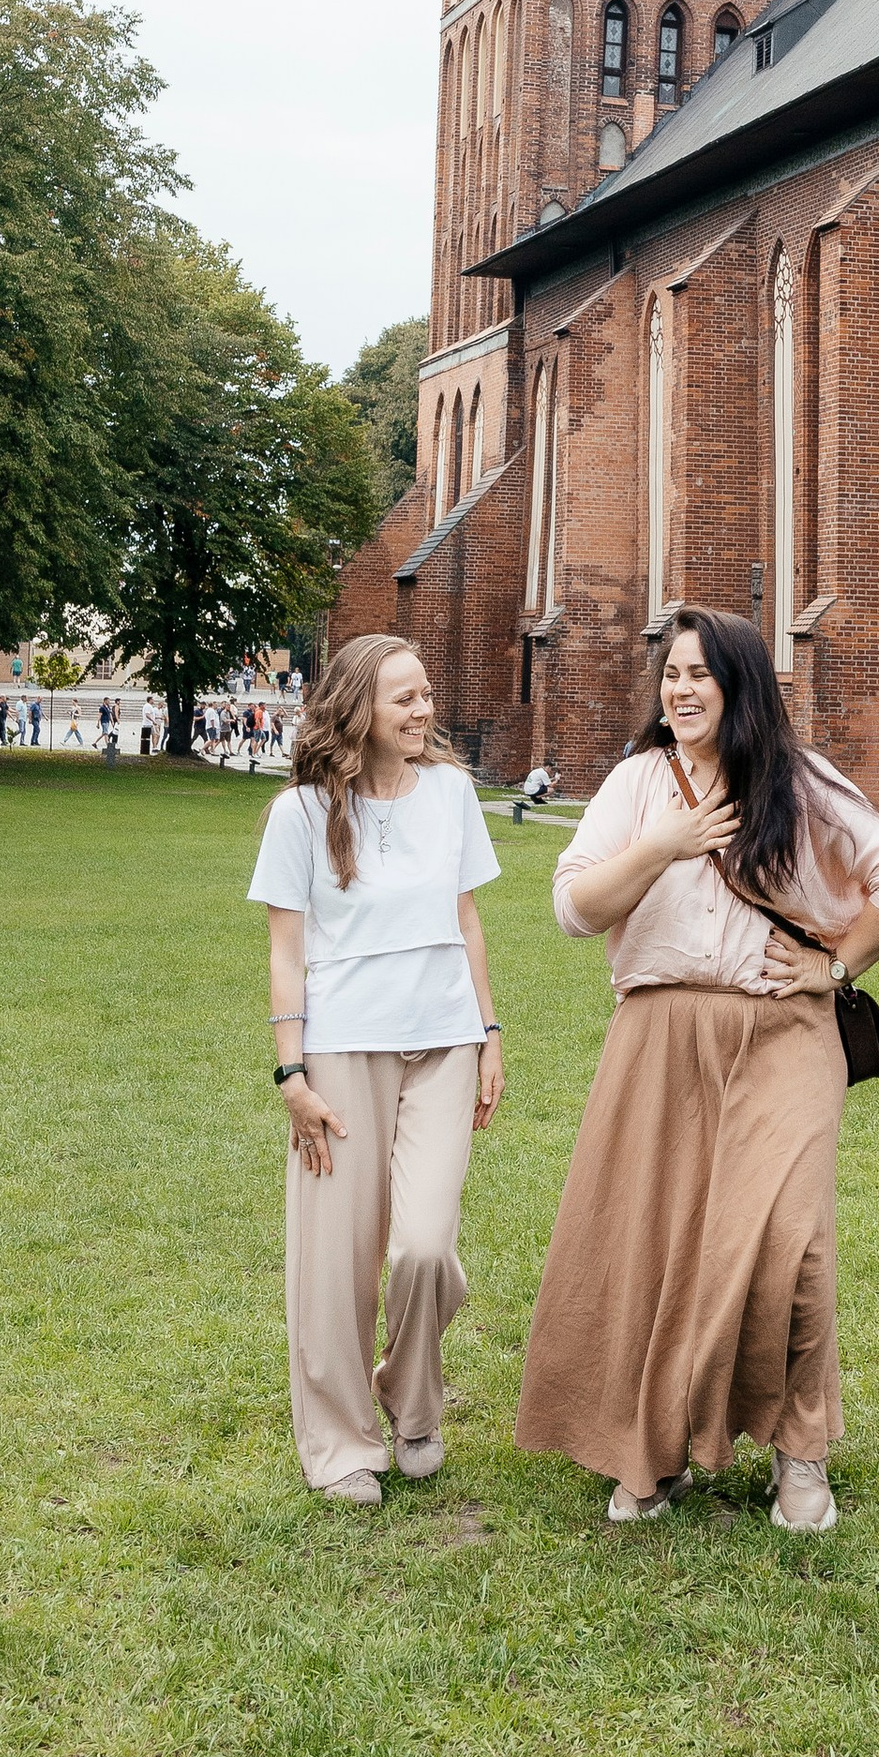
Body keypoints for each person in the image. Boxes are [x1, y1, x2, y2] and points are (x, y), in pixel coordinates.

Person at [515, 608, 879, 1534]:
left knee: (792, 1245)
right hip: (659, 1033)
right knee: (653, 1246)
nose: (681, 689)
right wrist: (662, 845)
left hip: (783, 1031)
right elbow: (575, 910)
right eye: (671, 674)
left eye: (701, 674)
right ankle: (653, 1455)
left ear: (740, 686)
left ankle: (801, 1456)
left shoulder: (797, 781)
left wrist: (835, 966)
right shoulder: (634, 784)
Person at [247, 635, 507, 1508]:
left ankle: (412, 1398)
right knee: (336, 1259)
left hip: (443, 1042)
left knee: (426, 1245)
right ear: (357, 706)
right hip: (341, 1048)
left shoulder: (454, 794)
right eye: (404, 698)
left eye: (427, 694)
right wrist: (291, 1074)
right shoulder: (300, 815)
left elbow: (466, 920)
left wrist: (490, 1032)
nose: (423, 710)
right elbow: (287, 953)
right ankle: (340, 1443)